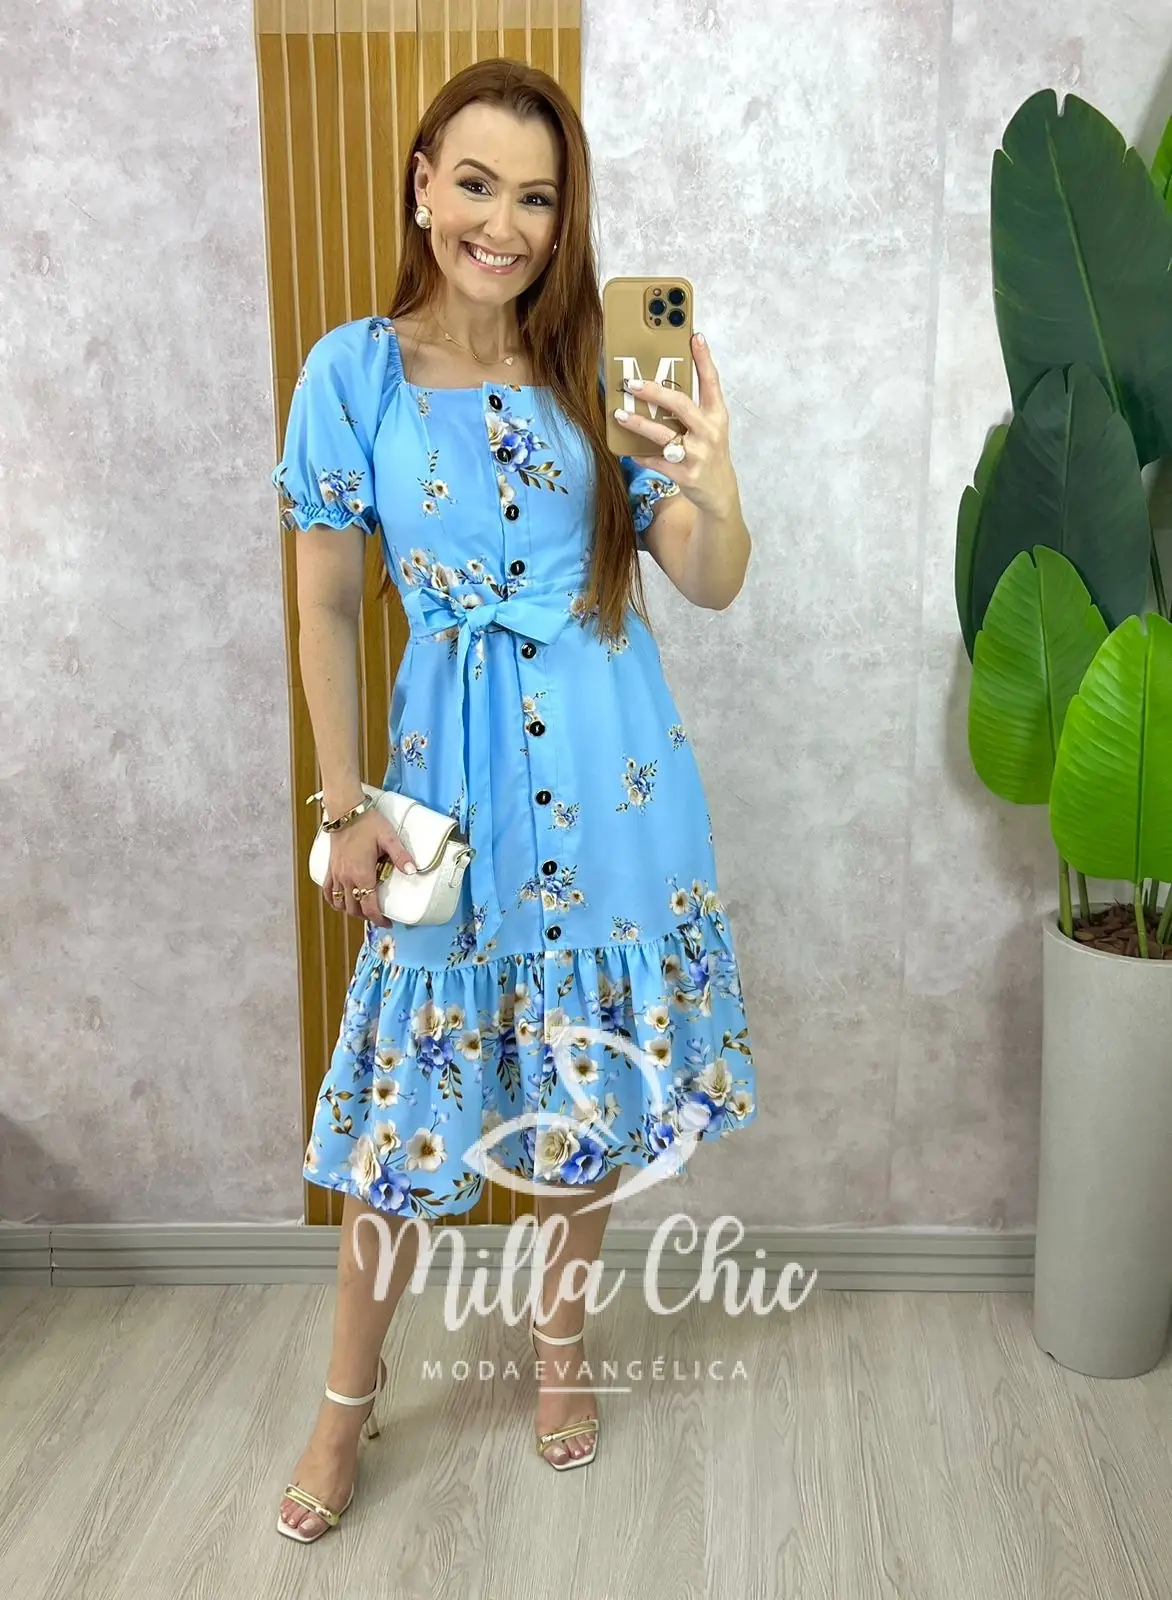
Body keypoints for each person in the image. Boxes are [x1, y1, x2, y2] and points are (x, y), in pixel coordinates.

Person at [270, 57, 758, 1541]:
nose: (503, 223)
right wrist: (342, 804)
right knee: (406, 1108)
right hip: (446, 785)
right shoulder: (351, 375)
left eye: (537, 198)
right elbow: (330, 605)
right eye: (476, 184)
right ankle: (344, 1406)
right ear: (422, 183)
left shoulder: (597, 368)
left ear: (565, 219)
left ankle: (560, 1351)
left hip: (615, 776)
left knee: (581, 1079)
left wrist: (716, 475)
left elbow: (710, 579)